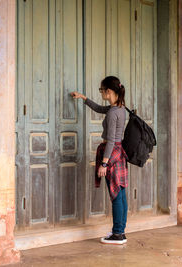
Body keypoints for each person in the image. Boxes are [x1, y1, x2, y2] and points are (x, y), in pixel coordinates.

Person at [71, 76, 128, 245]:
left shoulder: (112, 113)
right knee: (121, 193)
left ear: (108, 91)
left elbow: (110, 140)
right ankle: (120, 231)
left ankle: (118, 234)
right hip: (119, 153)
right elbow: (99, 109)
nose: (101, 92)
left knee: (116, 194)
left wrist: (104, 163)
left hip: (111, 153)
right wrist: (83, 98)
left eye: (101, 90)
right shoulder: (119, 108)